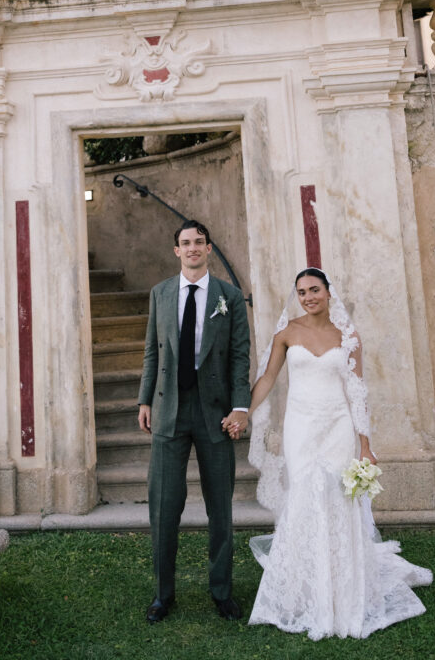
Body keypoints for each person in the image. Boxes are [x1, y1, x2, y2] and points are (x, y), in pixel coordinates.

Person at [235, 267, 432, 640]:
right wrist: (243, 412)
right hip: (301, 428)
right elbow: (267, 379)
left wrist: (365, 445)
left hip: (338, 426)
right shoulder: (287, 332)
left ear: (328, 292)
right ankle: (304, 589)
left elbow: (357, 392)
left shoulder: (349, 336)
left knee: (338, 500)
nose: (308, 297)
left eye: (314, 290)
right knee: (306, 496)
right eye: (302, 292)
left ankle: (343, 589)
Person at [137, 220, 251, 624]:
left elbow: (240, 357)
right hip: (169, 409)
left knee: (220, 506)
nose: (192, 249)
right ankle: (162, 595)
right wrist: (145, 399)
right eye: (185, 243)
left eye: (199, 242)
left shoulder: (230, 297)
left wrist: (241, 406)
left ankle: (222, 591)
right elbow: (152, 350)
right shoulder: (161, 293)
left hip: (215, 412)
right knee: (164, 507)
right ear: (176, 251)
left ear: (208, 248)